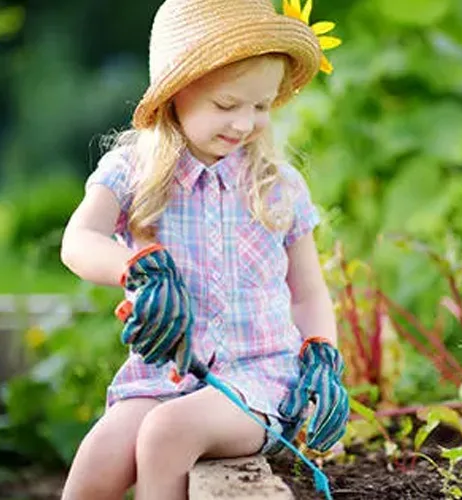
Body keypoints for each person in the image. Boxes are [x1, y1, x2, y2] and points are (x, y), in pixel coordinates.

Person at [58, 0, 349, 498]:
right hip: (163, 377)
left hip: (259, 383)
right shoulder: (133, 172)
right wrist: (136, 268)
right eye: (227, 105)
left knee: (167, 434)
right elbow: (77, 242)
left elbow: (307, 292)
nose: (244, 124)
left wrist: (322, 355)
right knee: (98, 460)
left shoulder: (277, 185)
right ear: (175, 94)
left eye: (260, 107)